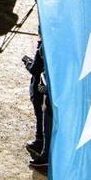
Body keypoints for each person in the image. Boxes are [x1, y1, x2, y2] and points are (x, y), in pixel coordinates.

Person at [23, 36, 50, 167]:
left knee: (42, 118)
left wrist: (27, 62)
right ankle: (41, 143)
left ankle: (40, 143)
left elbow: (35, 69)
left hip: (41, 89)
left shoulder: (44, 45)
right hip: (46, 90)